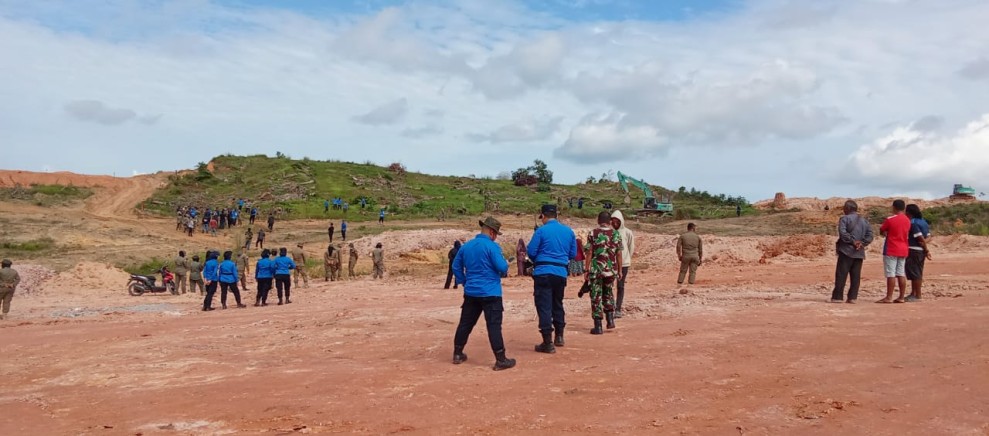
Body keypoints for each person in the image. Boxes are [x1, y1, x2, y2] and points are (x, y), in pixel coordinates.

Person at [451, 217, 516, 371]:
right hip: (491, 292)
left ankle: (458, 353)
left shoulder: (466, 246)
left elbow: (455, 266)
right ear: (492, 233)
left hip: (471, 292)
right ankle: (500, 359)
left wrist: (464, 281)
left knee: (465, 323)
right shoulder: (492, 247)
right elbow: (502, 268)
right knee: (494, 326)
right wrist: (506, 264)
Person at [527, 204, 577, 352]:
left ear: (543, 216)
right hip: (560, 272)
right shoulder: (568, 231)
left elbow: (531, 251)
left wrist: (540, 260)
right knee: (558, 303)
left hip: (543, 272)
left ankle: (547, 342)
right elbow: (573, 254)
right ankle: (559, 336)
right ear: (557, 215)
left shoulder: (541, 231)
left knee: (544, 306)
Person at [584, 211, 623, 335]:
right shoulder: (616, 234)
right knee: (608, 293)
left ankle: (598, 326)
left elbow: (589, 252)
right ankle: (610, 319)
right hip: (611, 270)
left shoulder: (593, 233)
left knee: (596, 296)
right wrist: (620, 270)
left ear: (598, 220)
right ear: (610, 221)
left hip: (597, 270)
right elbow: (619, 253)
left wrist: (586, 269)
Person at [831, 200, 873, 304]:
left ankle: (838, 297)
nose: (843, 209)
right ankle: (852, 297)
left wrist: (853, 242)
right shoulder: (864, 221)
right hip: (859, 252)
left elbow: (843, 233)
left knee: (841, 274)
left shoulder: (844, 219)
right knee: (855, 276)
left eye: (844, 207)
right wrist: (862, 244)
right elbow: (870, 236)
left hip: (846, 250)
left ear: (848, 209)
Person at [877, 200, 911, 304]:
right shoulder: (907, 220)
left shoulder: (890, 219)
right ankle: (901, 296)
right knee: (901, 272)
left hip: (892, 248)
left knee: (890, 273)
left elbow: (882, 229)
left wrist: (885, 233)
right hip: (903, 248)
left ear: (894, 207)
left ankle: (889, 297)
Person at [905, 204, 932, 302]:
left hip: (913, 249)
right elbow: (928, 237)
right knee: (917, 272)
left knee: (915, 273)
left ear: (908, 213)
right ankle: (914, 293)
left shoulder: (912, 223)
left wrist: (925, 248)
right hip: (920, 250)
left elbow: (919, 237)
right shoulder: (923, 222)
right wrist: (925, 246)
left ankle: (917, 295)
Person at [610, 210, 635, 318]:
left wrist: (627, 259)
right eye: (613, 221)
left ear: (621, 221)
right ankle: (610, 306)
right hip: (611, 264)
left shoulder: (627, 232)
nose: (615, 224)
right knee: (608, 286)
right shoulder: (609, 233)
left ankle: (618, 308)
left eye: (617, 222)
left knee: (620, 286)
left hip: (624, 264)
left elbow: (631, 247)